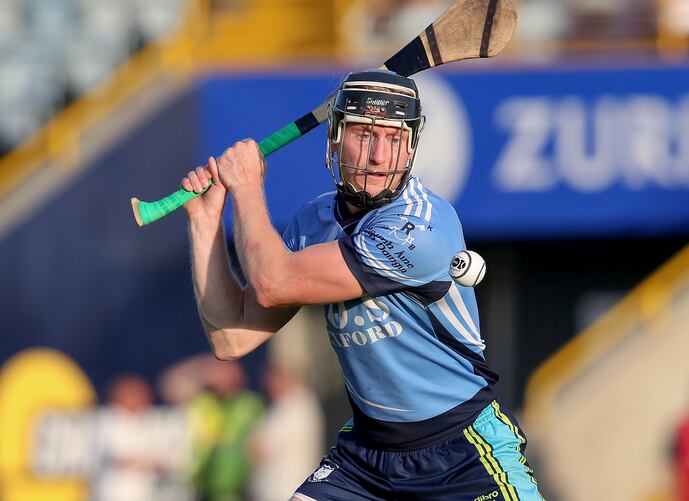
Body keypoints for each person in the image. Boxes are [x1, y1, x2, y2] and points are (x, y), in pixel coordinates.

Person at [181, 69, 543, 500]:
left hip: (461, 452)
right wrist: (205, 224)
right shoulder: (313, 224)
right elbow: (232, 337)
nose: (378, 155)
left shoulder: (421, 226)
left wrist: (247, 189)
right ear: (335, 139)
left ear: (411, 147)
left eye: (394, 138)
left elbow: (272, 285)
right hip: (366, 459)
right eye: (365, 134)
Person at [248, 355, 324, 501]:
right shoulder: (302, 403)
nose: (267, 384)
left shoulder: (291, 406)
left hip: (282, 491)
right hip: (291, 490)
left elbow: (261, 448)